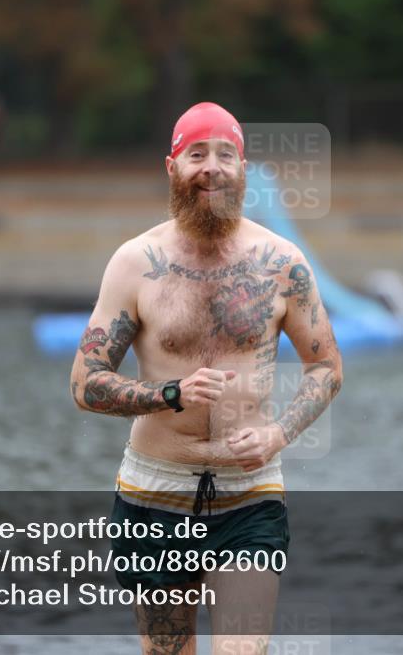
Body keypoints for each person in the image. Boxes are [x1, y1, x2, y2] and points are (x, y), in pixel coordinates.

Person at [70, 102, 343, 654]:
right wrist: (169, 393)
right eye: (197, 154)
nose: (212, 167)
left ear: (243, 170)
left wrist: (279, 434)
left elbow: (325, 368)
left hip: (250, 496)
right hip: (155, 493)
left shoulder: (282, 263)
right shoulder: (135, 263)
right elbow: (85, 382)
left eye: (226, 155)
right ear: (171, 166)